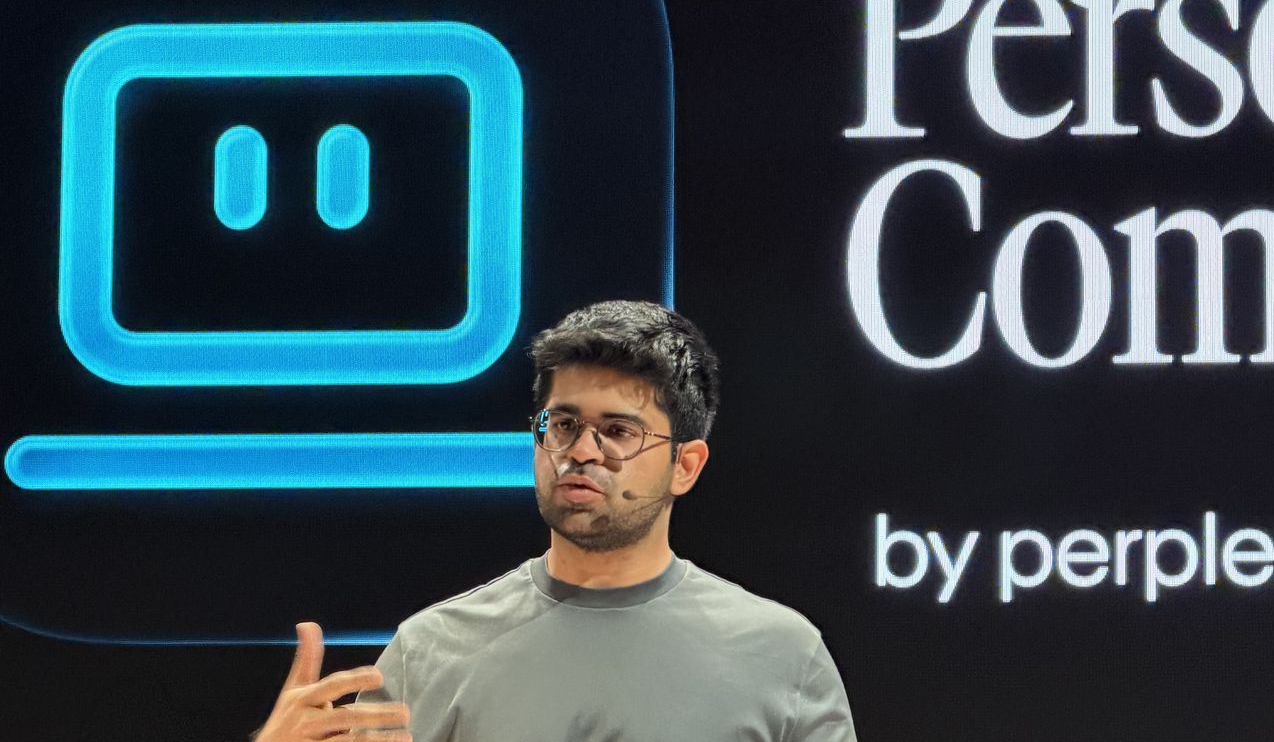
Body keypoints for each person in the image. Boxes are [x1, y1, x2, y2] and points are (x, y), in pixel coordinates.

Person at [252, 300, 856, 741]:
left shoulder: (783, 656)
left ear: (686, 466)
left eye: (619, 431)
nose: (583, 451)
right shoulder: (429, 652)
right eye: (563, 424)